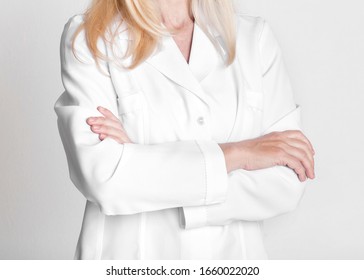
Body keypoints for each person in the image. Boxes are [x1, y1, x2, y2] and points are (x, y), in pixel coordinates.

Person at [54, 0, 315, 260]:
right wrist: (240, 155)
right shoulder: (93, 37)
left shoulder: (253, 39)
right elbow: (104, 178)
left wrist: (137, 160)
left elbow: (288, 180)